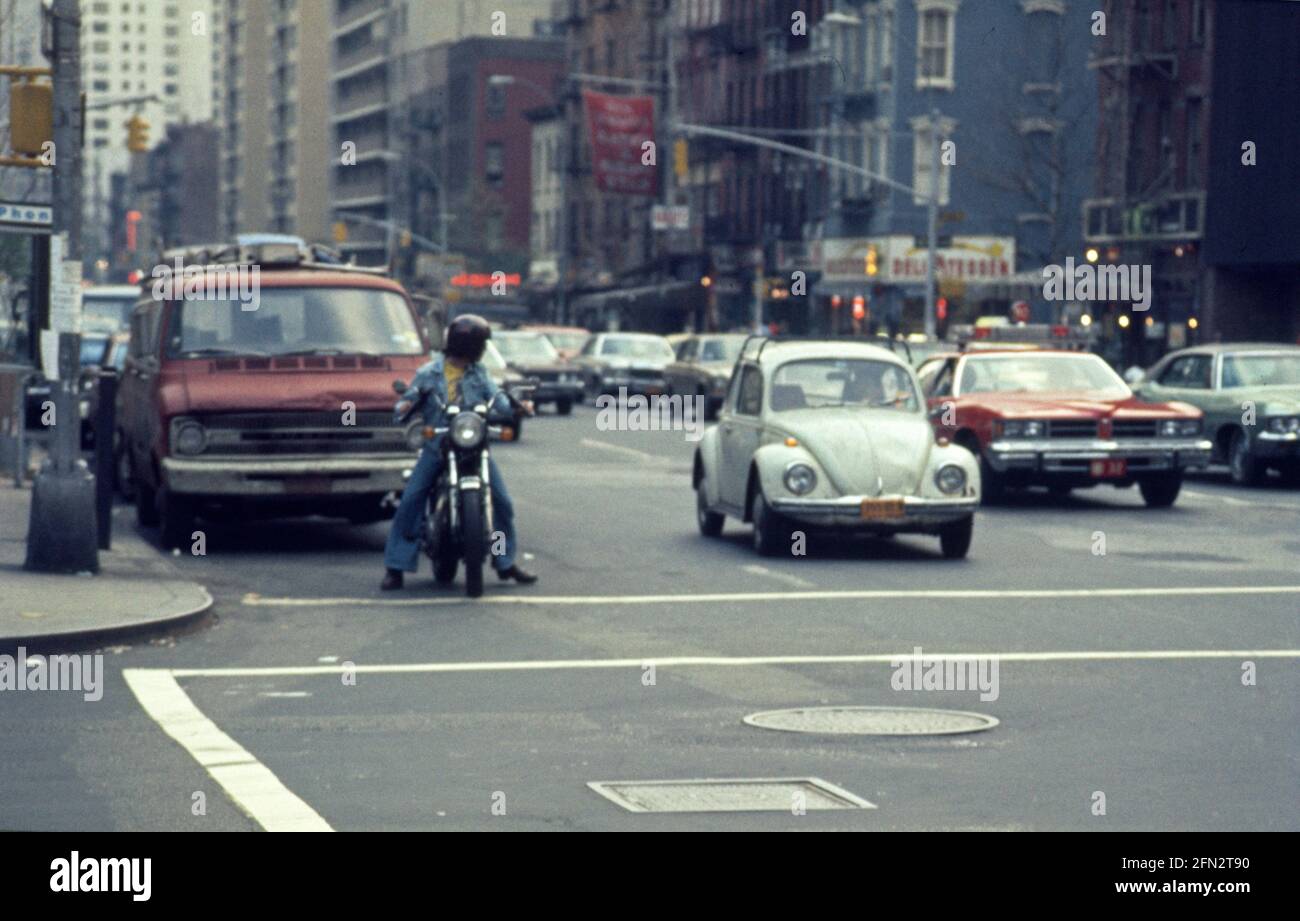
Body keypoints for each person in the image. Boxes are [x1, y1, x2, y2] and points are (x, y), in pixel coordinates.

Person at [381, 314, 537, 590]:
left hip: (473, 446)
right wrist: (405, 406)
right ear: (470, 344)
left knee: (502, 502)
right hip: (437, 446)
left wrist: (515, 407)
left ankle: (505, 562)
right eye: (481, 343)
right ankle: (396, 566)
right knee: (411, 499)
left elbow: (496, 397)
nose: (484, 349)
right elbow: (409, 399)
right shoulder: (429, 373)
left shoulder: (479, 373)